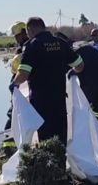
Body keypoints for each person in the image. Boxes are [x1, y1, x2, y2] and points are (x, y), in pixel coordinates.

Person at [10, 17, 84, 147]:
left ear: (30, 30)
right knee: (60, 135)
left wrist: (15, 84)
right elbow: (80, 65)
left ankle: (50, 164)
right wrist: (72, 71)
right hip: (60, 98)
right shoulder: (61, 43)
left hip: (41, 101)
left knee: (46, 137)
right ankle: (61, 162)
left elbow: (24, 74)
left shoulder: (32, 45)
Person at [2, 21, 29, 153]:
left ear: (24, 32)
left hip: (24, 83)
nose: (16, 38)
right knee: (14, 112)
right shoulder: (23, 48)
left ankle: (16, 144)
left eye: (17, 35)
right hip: (19, 83)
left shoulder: (28, 47)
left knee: (18, 112)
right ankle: (8, 145)